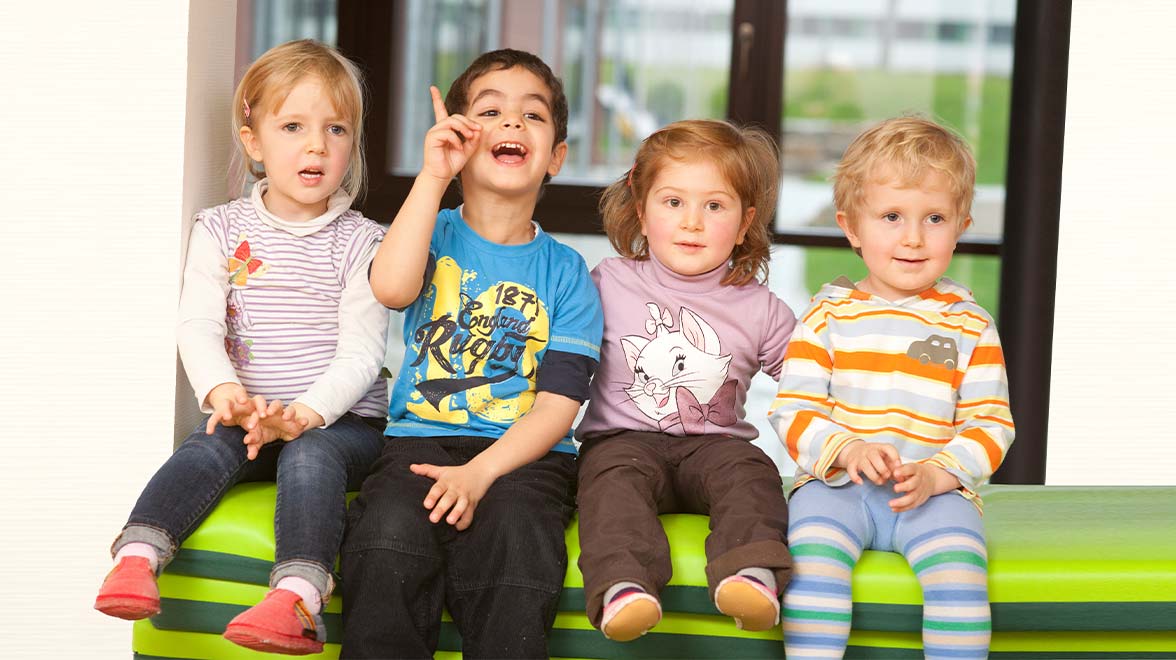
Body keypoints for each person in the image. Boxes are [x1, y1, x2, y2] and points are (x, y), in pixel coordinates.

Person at [93, 39, 389, 656]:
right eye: (293, 126)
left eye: (337, 129)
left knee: (311, 456)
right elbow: (197, 325)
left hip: (341, 422)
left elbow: (361, 354)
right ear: (253, 142)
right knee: (205, 448)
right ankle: (139, 555)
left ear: (353, 145)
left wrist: (303, 414)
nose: (317, 145)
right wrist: (224, 393)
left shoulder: (363, 241)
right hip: (250, 412)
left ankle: (298, 598)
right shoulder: (221, 228)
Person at [340, 49, 603, 658]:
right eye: (491, 111)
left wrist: (482, 473)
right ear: (461, 135)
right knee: (385, 540)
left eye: (532, 116)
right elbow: (392, 288)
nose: (512, 123)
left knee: (518, 540)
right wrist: (434, 176)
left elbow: (559, 406)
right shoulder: (428, 229)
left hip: (524, 459)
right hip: (417, 442)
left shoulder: (568, 274)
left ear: (556, 156)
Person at [770, 116, 1015, 660]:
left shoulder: (970, 323)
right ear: (852, 228)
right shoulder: (827, 313)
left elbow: (992, 424)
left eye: (934, 218)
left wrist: (939, 472)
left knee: (961, 581)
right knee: (810, 565)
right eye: (891, 217)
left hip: (934, 496)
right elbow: (794, 409)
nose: (912, 236)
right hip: (835, 489)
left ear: (961, 226)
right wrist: (848, 449)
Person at [574, 119, 797, 641]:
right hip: (620, 443)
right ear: (641, 211)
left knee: (753, 475)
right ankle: (624, 588)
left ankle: (752, 575)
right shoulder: (607, 282)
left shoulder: (762, 309)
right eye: (674, 202)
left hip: (716, 446)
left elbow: (811, 384)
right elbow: (560, 360)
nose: (692, 222)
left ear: (745, 224)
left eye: (714, 206)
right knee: (609, 488)